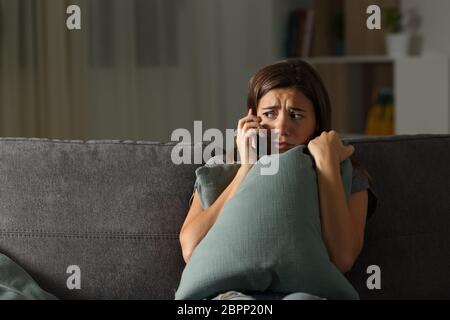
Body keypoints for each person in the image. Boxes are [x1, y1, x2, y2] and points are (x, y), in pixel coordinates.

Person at [179, 60, 378, 300]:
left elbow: (343, 258)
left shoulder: (348, 174)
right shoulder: (221, 169)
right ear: (252, 117)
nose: (282, 126)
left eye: (296, 115)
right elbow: (190, 248)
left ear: (316, 123)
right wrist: (245, 168)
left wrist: (326, 166)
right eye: (270, 114)